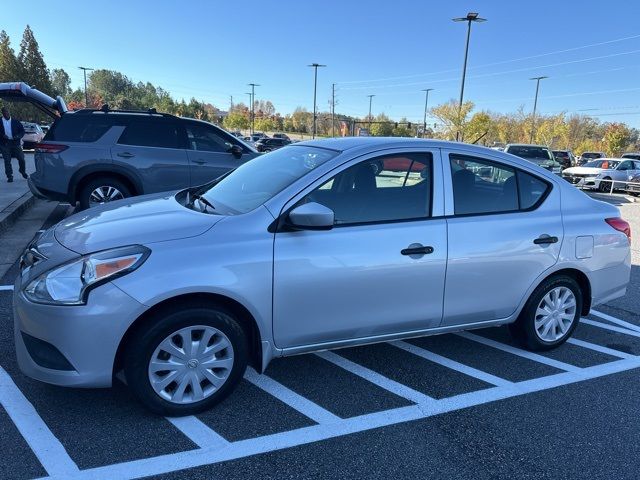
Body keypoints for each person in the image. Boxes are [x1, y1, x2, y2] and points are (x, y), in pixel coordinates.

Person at [1, 106, 27, 183]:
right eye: (5, 112)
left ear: (9, 112)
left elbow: (22, 131)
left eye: (7, 112)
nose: (6, 114)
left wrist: (18, 136)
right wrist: (2, 135)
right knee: (7, 160)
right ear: (2, 113)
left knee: (21, 159)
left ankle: (22, 171)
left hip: (15, 143)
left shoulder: (16, 121)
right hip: (4, 144)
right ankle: (9, 176)